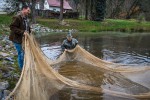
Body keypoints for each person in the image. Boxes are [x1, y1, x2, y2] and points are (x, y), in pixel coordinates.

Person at [9, 5, 31, 70]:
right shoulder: (17, 17)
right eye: (28, 10)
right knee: (21, 53)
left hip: (23, 39)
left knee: (24, 53)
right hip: (17, 39)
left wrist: (30, 31)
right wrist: (22, 32)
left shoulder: (25, 17)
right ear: (24, 9)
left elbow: (26, 26)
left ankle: (24, 66)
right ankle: (22, 69)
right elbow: (12, 27)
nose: (29, 12)